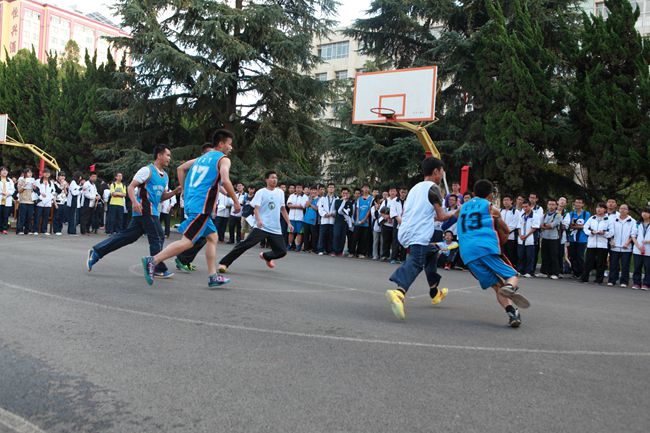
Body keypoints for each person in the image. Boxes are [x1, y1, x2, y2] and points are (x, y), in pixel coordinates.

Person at [143, 131, 239, 287]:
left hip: (193, 202)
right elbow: (226, 180)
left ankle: (212, 276)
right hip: (202, 206)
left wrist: (185, 190)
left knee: (212, 237)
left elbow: (181, 168)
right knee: (188, 242)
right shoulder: (223, 159)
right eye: (229, 144)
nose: (231, 147)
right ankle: (153, 260)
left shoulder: (201, 158)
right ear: (221, 144)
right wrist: (235, 201)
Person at [87, 144, 181, 279]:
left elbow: (161, 197)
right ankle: (157, 267)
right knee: (158, 236)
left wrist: (174, 192)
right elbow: (131, 187)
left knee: (127, 237)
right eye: (167, 155)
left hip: (152, 211)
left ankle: (96, 252)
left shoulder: (165, 176)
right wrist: (135, 202)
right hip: (144, 209)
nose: (169, 158)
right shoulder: (147, 170)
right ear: (159, 155)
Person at [385, 158, 458, 321]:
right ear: (436, 172)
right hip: (418, 233)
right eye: (442, 172)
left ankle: (434, 291)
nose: (442, 176)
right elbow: (441, 217)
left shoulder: (415, 188)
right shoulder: (434, 188)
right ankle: (399, 292)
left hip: (406, 230)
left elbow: (431, 215)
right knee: (417, 262)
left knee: (431, 254)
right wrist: (457, 213)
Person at [457, 179, 530, 328]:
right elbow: (506, 230)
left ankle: (512, 313)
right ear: (490, 195)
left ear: (473, 194)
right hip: (484, 248)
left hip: (467, 254)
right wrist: (498, 227)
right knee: (512, 275)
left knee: (497, 286)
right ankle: (510, 287)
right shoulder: (491, 208)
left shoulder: (462, 208)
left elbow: (444, 217)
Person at [218, 171, 292, 273]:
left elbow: (283, 209)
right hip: (262, 226)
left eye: (276, 178)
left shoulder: (280, 192)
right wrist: (259, 220)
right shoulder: (261, 192)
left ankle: (266, 256)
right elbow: (256, 209)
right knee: (245, 245)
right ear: (266, 180)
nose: (275, 180)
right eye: (272, 177)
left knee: (282, 251)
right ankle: (224, 263)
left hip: (275, 228)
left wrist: (289, 223)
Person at [581, 203, 613, 284]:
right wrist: (591, 232)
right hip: (591, 244)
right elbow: (585, 228)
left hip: (602, 244)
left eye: (601, 208)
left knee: (601, 263)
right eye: (598, 208)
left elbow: (611, 232)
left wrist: (603, 233)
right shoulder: (592, 218)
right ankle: (584, 278)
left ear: (605, 209)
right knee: (588, 261)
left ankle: (599, 279)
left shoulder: (608, 220)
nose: (599, 209)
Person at [608, 204, 636, 288]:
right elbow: (610, 232)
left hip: (626, 247)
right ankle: (611, 280)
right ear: (619, 209)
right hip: (614, 247)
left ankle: (624, 281)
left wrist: (627, 243)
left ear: (628, 211)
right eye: (621, 208)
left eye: (625, 209)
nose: (623, 210)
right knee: (613, 265)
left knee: (625, 265)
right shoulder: (614, 220)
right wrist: (611, 241)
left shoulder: (632, 221)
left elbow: (633, 234)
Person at [565, 198, 590, 278]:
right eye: (576, 202)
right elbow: (569, 225)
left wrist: (575, 226)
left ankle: (581, 273)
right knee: (572, 256)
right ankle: (575, 273)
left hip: (582, 238)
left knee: (580, 256)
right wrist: (576, 226)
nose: (578, 204)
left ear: (583, 204)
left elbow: (586, 226)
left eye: (580, 202)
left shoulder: (586, 214)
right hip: (572, 238)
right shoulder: (571, 214)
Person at [538, 198, 562, 279]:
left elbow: (552, 225)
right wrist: (546, 225)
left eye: (553, 204)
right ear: (547, 205)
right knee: (544, 255)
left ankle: (555, 273)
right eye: (550, 204)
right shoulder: (544, 215)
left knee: (553, 256)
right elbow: (541, 225)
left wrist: (545, 225)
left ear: (556, 206)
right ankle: (544, 272)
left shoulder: (558, 215)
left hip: (554, 238)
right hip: (545, 237)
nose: (551, 206)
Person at [517, 200, 539, 278]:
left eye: (526, 206)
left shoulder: (535, 215)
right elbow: (518, 226)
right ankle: (520, 270)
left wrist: (526, 236)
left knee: (529, 256)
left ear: (530, 206)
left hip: (530, 238)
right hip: (521, 238)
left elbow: (534, 228)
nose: (525, 208)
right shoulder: (521, 215)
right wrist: (520, 235)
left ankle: (529, 271)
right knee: (521, 256)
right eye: (523, 207)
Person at [631, 207, 650, 290]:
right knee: (637, 267)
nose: (644, 214)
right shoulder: (637, 223)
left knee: (648, 268)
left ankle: (646, 284)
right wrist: (638, 246)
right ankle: (636, 283)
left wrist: (648, 241)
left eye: (647, 212)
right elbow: (633, 235)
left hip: (648, 249)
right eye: (643, 212)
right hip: (638, 249)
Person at [34, 168, 56, 235]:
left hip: (48, 202)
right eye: (45, 172)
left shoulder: (51, 183)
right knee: (37, 216)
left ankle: (44, 230)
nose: (47, 174)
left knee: (46, 216)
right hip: (40, 201)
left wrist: (51, 197)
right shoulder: (38, 181)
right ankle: (35, 230)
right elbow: (35, 190)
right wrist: (40, 194)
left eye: (48, 173)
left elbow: (53, 191)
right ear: (43, 173)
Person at [352, 184, 373, 258]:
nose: (366, 189)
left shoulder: (371, 198)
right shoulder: (359, 198)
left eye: (367, 188)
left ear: (369, 189)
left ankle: (361, 253)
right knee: (355, 237)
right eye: (364, 188)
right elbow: (357, 209)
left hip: (366, 222)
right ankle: (352, 252)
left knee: (363, 239)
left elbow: (370, 210)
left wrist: (365, 219)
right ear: (362, 189)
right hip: (358, 221)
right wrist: (358, 219)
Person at [317, 183, 337, 255]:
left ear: (334, 189)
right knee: (322, 235)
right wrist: (325, 214)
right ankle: (321, 249)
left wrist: (333, 213)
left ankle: (329, 250)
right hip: (324, 220)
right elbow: (320, 208)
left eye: (332, 187)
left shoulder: (337, 198)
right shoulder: (322, 198)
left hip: (332, 220)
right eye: (329, 187)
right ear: (327, 189)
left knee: (331, 236)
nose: (331, 188)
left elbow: (337, 208)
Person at [287, 184, 307, 252]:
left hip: (300, 218)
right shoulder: (292, 196)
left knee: (299, 233)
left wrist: (293, 205)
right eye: (297, 187)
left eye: (300, 188)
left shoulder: (305, 197)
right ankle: (289, 245)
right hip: (291, 217)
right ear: (295, 188)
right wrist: (298, 206)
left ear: (302, 189)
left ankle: (298, 246)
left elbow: (303, 206)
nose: (298, 189)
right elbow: (289, 205)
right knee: (290, 232)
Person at [500, 194, 519, 267]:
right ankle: (503, 267)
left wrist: (504, 231)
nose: (505, 202)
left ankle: (511, 267)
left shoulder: (515, 211)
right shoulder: (500, 211)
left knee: (510, 254)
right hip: (501, 237)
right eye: (504, 200)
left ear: (511, 201)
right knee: (502, 253)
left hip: (510, 237)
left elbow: (514, 225)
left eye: (507, 200)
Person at [333, 187, 353, 256]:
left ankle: (340, 251)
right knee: (336, 235)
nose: (345, 194)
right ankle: (335, 250)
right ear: (341, 193)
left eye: (346, 193)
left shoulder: (349, 203)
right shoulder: (337, 201)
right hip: (338, 221)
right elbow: (338, 209)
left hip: (345, 222)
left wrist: (346, 213)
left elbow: (350, 213)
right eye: (343, 193)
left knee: (343, 237)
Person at [16, 169, 35, 235]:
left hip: (31, 201)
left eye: (31, 172)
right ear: (25, 173)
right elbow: (19, 190)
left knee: (29, 217)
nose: (30, 174)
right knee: (22, 216)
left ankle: (28, 230)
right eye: (28, 172)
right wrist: (24, 185)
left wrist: (34, 187)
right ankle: (19, 230)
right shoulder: (21, 180)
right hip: (23, 200)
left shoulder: (33, 180)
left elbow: (35, 191)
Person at [302, 187, 319, 253]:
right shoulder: (308, 198)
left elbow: (317, 209)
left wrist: (310, 204)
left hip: (314, 220)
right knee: (306, 234)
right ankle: (306, 248)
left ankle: (313, 248)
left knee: (314, 235)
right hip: (306, 219)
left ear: (317, 191)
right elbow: (306, 206)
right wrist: (310, 201)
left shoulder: (319, 199)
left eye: (314, 190)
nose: (313, 191)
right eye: (312, 190)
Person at [0, 167, 15, 234]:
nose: (5, 171)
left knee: (6, 216)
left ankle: (4, 228)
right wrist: (2, 192)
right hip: (0, 198)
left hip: (7, 199)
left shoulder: (10, 180)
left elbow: (13, 189)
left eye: (6, 170)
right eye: (3, 170)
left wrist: (8, 193)